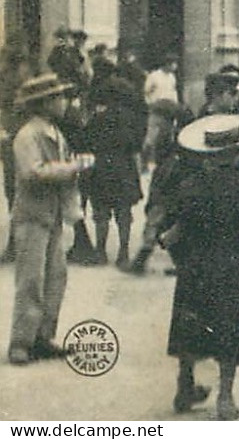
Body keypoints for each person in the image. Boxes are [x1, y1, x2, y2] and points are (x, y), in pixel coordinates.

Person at [164, 114, 239, 420]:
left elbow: (175, 231)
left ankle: (185, 383)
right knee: (231, 331)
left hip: (195, 267)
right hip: (233, 265)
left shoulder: (190, 186)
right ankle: (225, 394)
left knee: (189, 328)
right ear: (236, 153)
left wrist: (178, 252)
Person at [8, 75, 94, 365]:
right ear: (43, 103)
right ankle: (21, 342)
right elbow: (33, 172)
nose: (63, 103)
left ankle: (43, 336)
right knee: (31, 279)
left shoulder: (55, 132)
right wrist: (71, 167)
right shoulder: (27, 135)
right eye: (58, 98)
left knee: (56, 276)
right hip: (32, 215)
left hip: (54, 214)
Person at [80, 71, 145, 268]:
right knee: (123, 213)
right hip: (124, 167)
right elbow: (136, 144)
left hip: (101, 168)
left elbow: (86, 141)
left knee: (101, 212)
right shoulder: (131, 118)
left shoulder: (97, 118)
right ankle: (123, 252)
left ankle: (100, 251)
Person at [141, 56, 180, 168]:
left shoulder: (172, 77)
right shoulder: (154, 76)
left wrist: (175, 105)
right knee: (151, 138)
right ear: (166, 64)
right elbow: (146, 92)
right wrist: (150, 104)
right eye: (172, 63)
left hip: (169, 111)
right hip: (157, 110)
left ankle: (162, 164)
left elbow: (173, 91)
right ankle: (145, 163)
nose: (174, 66)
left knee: (166, 137)